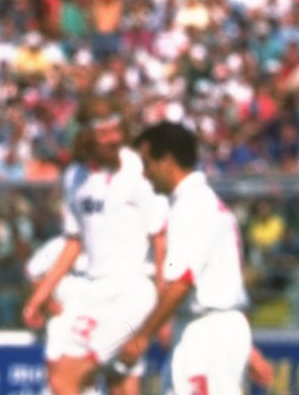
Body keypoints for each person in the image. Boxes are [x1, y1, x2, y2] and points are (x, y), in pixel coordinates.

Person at [23, 98, 167, 395]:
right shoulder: (75, 177)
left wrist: (164, 311)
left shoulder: (138, 168)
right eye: (104, 134)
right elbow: (75, 241)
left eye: (117, 131)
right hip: (93, 291)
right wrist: (41, 295)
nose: (113, 139)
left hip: (133, 291)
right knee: (109, 380)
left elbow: (160, 237)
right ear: (87, 136)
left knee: (68, 377)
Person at [117, 123, 254, 395]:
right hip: (203, 327)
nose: (145, 173)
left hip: (208, 330)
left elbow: (182, 280)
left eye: (148, 163)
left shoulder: (193, 206)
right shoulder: (191, 203)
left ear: (167, 161)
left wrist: (142, 337)